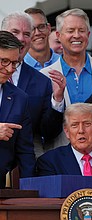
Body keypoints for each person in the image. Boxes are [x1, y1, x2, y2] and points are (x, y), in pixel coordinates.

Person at [40, 8, 92, 148]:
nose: (77, 35)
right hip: (60, 161)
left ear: (88, 35)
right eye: (70, 31)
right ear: (58, 35)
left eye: (81, 31)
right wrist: (57, 100)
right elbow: (44, 129)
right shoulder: (45, 76)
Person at [1, 12, 64, 157]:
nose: (20, 39)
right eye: (15, 32)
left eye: (27, 34)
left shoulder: (42, 81)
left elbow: (48, 132)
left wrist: (58, 100)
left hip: (24, 164)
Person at [0, 30, 36, 188]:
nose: (9, 69)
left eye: (14, 63)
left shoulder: (20, 98)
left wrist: (29, 192)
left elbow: (25, 152)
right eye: (3, 61)